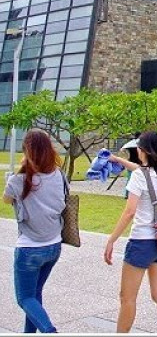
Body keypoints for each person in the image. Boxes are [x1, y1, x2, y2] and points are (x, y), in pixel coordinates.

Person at [103, 131, 157, 333]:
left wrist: (111, 239)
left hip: (142, 242)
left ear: (144, 150)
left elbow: (129, 212)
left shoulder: (139, 176)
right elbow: (141, 170)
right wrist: (118, 160)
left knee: (127, 298)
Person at [2, 128, 65, 333]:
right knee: (35, 294)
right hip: (54, 246)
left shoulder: (17, 180)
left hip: (30, 248)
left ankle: (50, 331)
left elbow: (6, 200)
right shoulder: (58, 175)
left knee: (25, 298)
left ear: (26, 151)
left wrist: (17, 173)